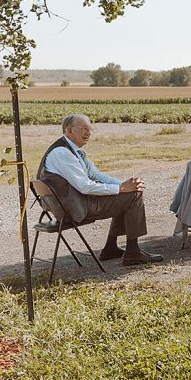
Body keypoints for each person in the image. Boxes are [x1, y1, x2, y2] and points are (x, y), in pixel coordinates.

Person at [37, 114, 163, 266]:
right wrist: (121, 189)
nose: (88, 133)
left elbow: (96, 176)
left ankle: (111, 248)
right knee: (132, 196)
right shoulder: (62, 153)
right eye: (84, 129)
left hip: (71, 204)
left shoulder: (71, 150)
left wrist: (124, 185)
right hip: (74, 208)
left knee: (128, 193)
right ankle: (133, 252)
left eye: (89, 129)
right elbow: (84, 186)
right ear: (69, 130)